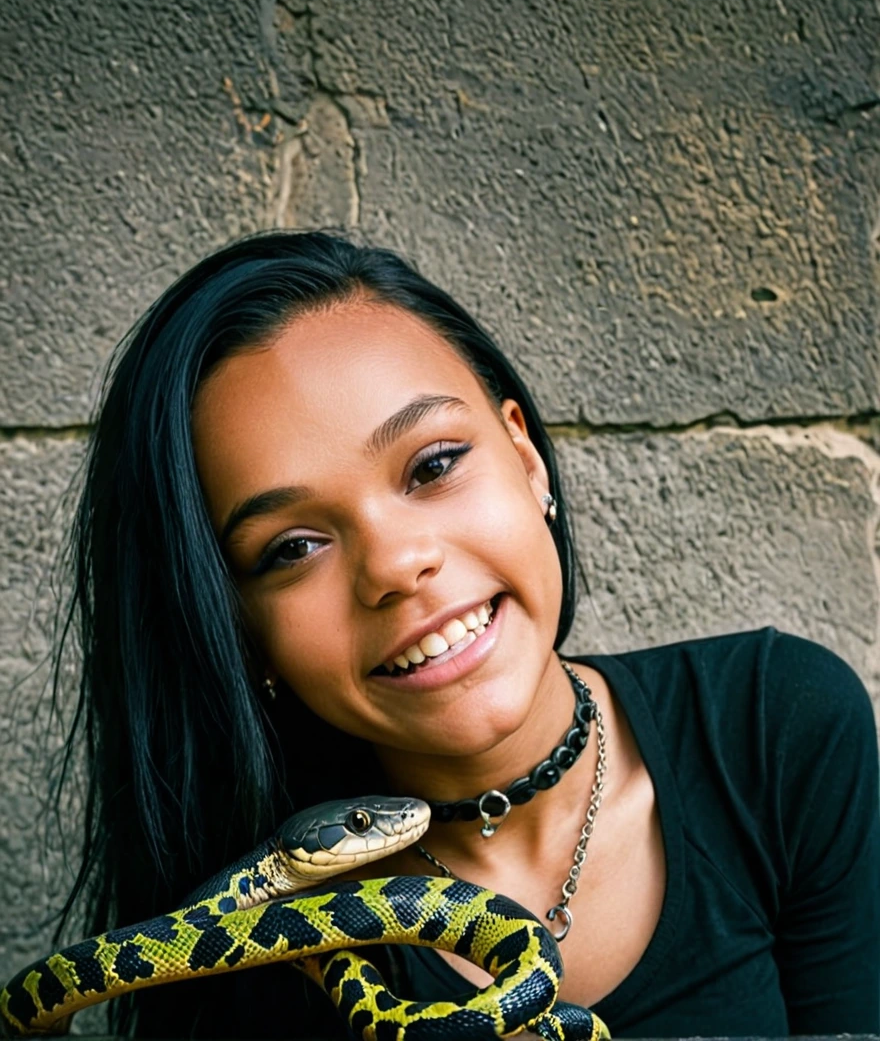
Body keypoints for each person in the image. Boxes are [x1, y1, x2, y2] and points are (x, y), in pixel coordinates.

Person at [48, 230, 879, 1039]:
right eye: (292, 548)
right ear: (237, 628)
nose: (397, 566)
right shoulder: (260, 951)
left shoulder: (780, 726)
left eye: (434, 464)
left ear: (525, 458)